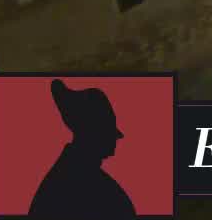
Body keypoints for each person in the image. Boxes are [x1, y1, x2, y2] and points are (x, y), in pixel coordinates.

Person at [29, 80, 137, 218]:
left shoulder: (72, 175)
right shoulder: (72, 182)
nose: (114, 141)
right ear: (93, 133)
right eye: (106, 132)